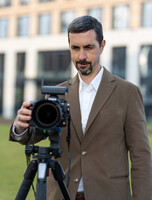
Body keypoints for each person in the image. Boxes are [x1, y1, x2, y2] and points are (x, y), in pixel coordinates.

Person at [9, 16, 152, 200]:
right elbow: (38, 133)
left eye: (89, 47)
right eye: (75, 48)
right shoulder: (56, 93)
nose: (81, 56)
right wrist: (20, 127)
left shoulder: (128, 93)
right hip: (61, 193)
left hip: (109, 194)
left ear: (101, 46)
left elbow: (141, 156)